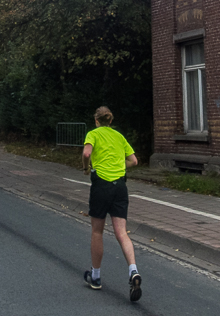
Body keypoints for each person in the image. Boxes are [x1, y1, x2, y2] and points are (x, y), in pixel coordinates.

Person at [81, 106, 141, 302]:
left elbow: (87, 154)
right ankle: (133, 271)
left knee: (97, 231)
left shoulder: (93, 134)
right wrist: (117, 164)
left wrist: (86, 167)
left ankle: (96, 276)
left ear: (97, 121)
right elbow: (134, 161)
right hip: (120, 188)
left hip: (101, 186)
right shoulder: (119, 137)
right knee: (122, 232)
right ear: (111, 121)